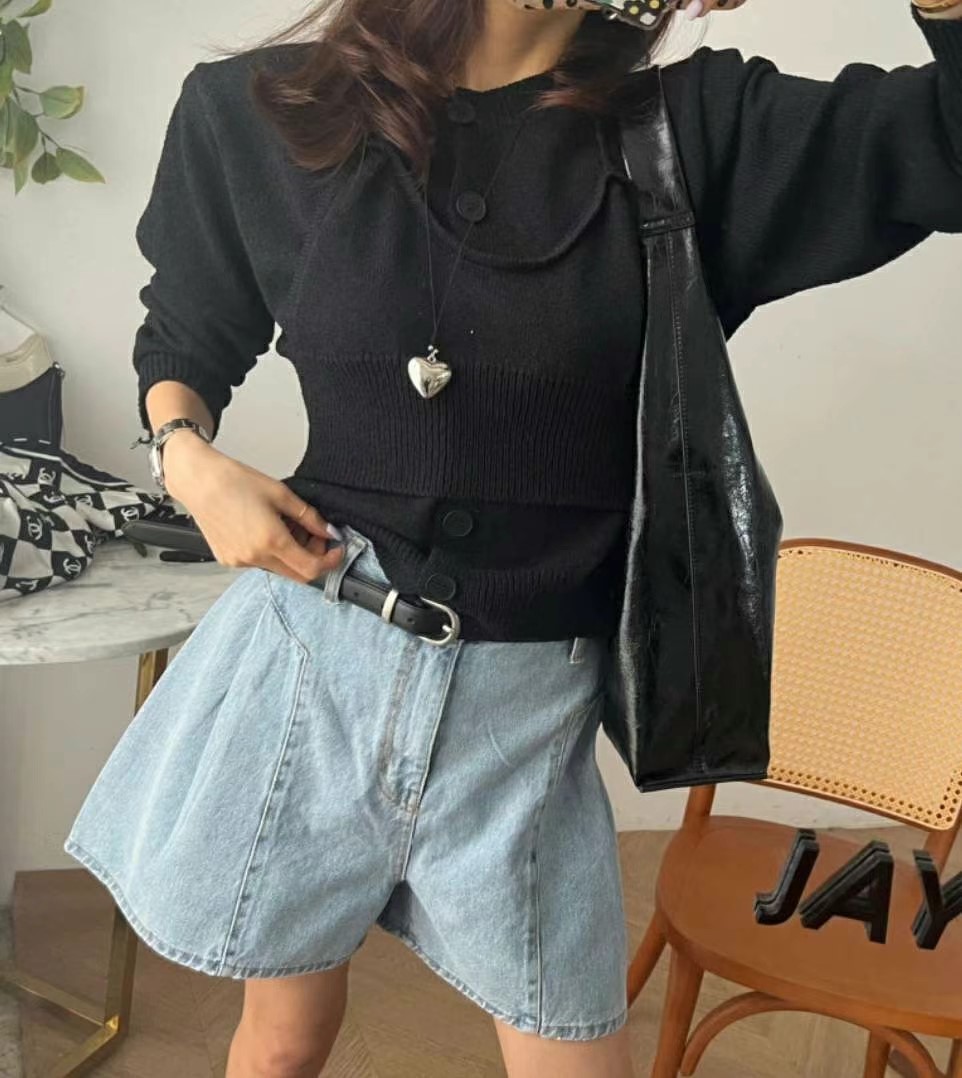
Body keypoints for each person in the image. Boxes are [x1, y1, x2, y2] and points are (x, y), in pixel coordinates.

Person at [64, 0, 962, 1075]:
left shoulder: (692, 130)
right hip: (316, 661)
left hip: (524, 711)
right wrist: (188, 461)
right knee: (281, 1043)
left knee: (574, 1055)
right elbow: (188, 327)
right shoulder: (272, 111)